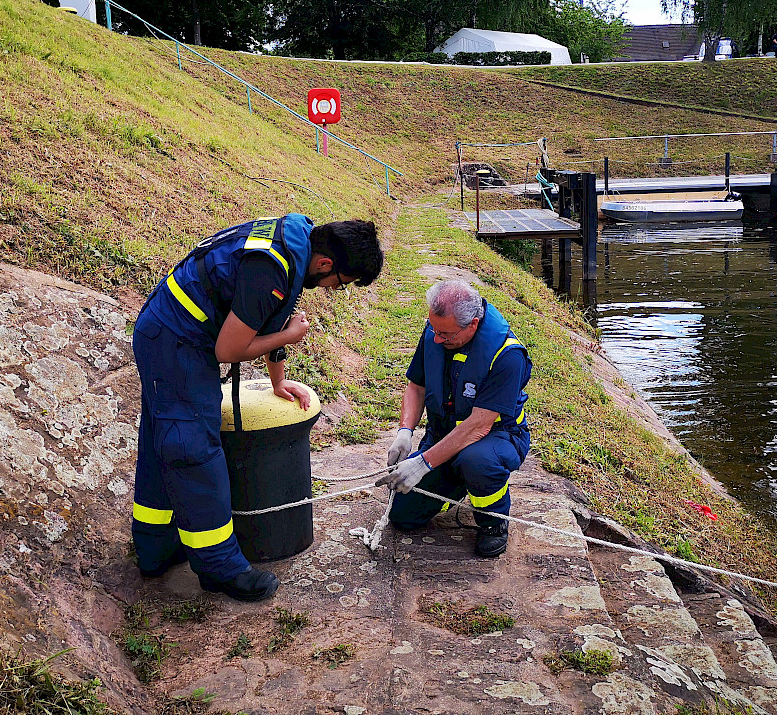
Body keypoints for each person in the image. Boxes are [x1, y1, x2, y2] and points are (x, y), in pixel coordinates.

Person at [132, 215, 383, 601]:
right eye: (340, 283)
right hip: (177, 340)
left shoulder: (295, 240)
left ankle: (155, 547)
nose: (333, 290)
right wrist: (291, 335)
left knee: (162, 439)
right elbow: (229, 350)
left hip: (168, 329)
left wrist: (278, 380)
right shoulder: (271, 269)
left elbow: (265, 317)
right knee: (191, 448)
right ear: (327, 265)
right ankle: (220, 568)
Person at [377, 280, 532, 558]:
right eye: (434, 329)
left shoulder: (508, 356)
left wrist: (423, 463)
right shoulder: (436, 332)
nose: (437, 339)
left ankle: (494, 523)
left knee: (476, 461)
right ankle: (454, 486)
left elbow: (478, 426)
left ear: (472, 324)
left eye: (445, 334)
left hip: (495, 437)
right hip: (444, 435)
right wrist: (405, 431)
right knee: (403, 516)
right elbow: (416, 385)